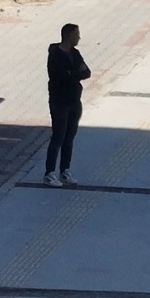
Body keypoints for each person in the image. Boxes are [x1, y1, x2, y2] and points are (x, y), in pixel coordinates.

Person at [45, 23, 91, 188]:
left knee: (69, 137)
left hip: (74, 101)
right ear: (68, 36)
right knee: (58, 136)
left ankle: (65, 170)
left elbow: (87, 72)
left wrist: (74, 74)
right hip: (59, 102)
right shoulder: (55, 55)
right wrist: (74, 74)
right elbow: (62, 77)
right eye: (76, 34)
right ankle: (49, 172)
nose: (79, 37)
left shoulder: (75, 53)